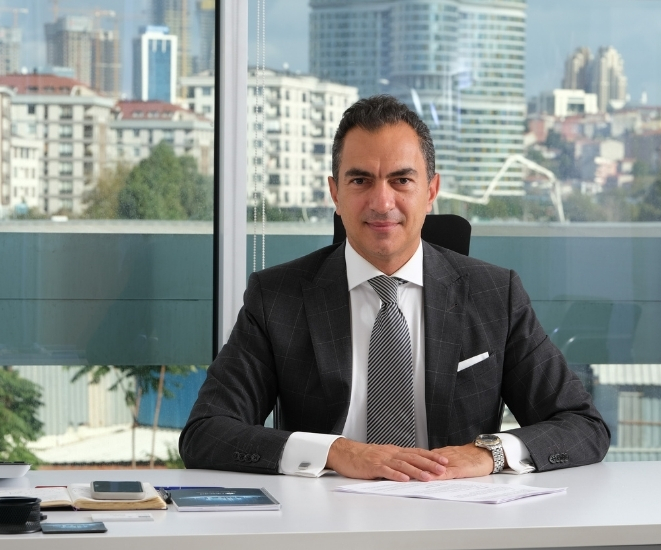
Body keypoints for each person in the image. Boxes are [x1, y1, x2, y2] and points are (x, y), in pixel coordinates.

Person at [179, 95, 610, 481]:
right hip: (322, 522)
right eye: (360, 180)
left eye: (401, 180)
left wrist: (490, 453)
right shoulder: (277, 297)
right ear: (335, 193)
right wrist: (335, 452)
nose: (382, 203)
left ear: (431, 190)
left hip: (456, 519)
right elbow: (205, 433)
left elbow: (583, 426)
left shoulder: (496, 294)